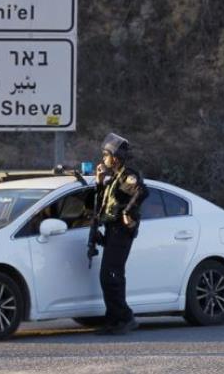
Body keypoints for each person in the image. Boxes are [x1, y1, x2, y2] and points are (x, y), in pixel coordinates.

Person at [93, 133, 148, 335]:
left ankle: (125, 318)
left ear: (114, 157)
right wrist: (99, 182)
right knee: (110, 276)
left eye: (105, 155)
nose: (103, 158)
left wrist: (127, 213)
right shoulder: (114, 178)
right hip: (112, 230)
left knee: (111, 276)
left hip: (121, 231)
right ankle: (114, 319)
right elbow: (105, 202)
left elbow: (141, 192)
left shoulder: (127, 174)